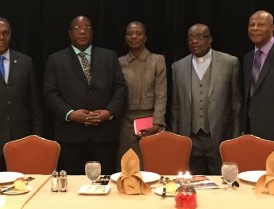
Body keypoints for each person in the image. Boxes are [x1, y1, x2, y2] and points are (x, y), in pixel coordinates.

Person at [44, 15, 127, 175]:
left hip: (104, 134)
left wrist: (109, 112)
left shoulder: (109, 57)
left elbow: (120, 88)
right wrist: (70, 114)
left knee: (105, 184)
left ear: (93, 32)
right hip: (71, 136)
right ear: (69, 33)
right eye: (77, 27)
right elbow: (50, 93)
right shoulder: (55, 60)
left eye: (87, 28)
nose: (82, 31)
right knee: (74, 187)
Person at [0, 17, 43, 171]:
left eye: (5, 33)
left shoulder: (25, 62)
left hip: (22, 139)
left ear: (10, 35)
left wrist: (37, 136)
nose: (1, 37)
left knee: (24, 187)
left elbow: (34, 104)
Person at [171, 23, 242, 175]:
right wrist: (177, 139)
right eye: (190, 38)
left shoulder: (229, 63)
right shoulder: (177, 67)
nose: (194, 41)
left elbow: (236, 104)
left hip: (219, 137)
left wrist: (235, 139)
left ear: (209, 39)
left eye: (199, 37)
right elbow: (175, 107)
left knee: (221, 186)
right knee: (194, 186)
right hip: (190, 139)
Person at [117, 21, 167, 171]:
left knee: (151, 167)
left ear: (145, 38)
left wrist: (157, 124)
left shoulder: (157, 60)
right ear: (125, 37)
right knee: (126, 168)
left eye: (138, 33)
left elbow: (161, 94)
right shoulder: (119, 62)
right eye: (130, 34)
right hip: (125, 122)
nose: (134, 37)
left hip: (150, 121)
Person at [242, 10, 274, 140]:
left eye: (261, 25)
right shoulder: (248, 58)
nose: (255, 28)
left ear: (272, 28)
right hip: (251, 131)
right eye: (252, 25)